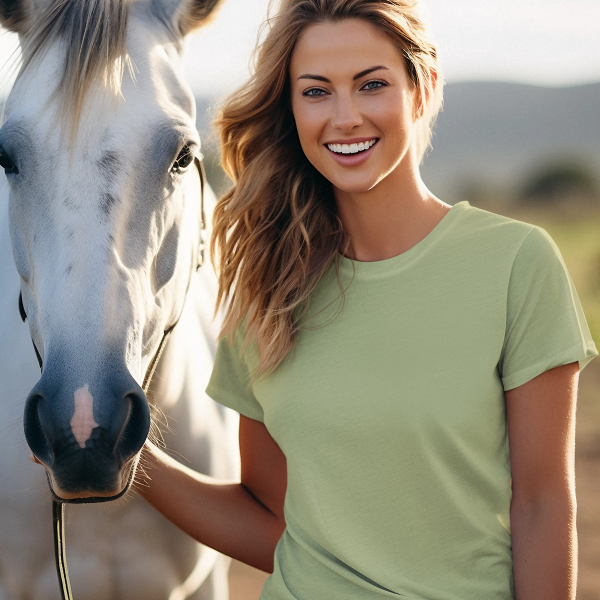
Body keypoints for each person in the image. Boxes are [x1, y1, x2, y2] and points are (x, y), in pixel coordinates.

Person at [138, 0, 598, 598]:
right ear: (291, 108)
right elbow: (271, 524)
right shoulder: (266, 285)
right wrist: (128, 459)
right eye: (316, 91)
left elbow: (542, 504)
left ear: (423, 86)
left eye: (372, 84)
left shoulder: (516, 263)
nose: (345, 116)